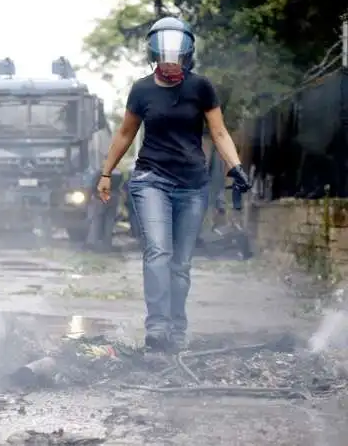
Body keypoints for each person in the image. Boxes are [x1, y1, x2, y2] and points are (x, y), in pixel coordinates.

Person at [96, 17, 251, 352]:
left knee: (180, 264)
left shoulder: (201, 87)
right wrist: (106, 172)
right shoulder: (141, 90)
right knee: (158, 252)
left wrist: (235, 167)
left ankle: (177, 330)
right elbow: (125, 132)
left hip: (193, 186)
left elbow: (219, 132)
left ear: (187, 54)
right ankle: (157, 328)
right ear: (154, 53)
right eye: (164, 55)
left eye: (176, 55)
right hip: (151, 180)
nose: (170, 62)